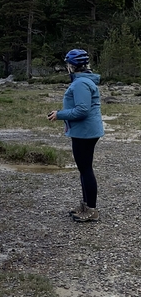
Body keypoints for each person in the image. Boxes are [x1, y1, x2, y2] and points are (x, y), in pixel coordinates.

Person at [47, 48, 104, 222]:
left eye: (68, 64)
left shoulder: (80, 83)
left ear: (72, 65)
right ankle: (86, 206)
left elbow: (82, 110)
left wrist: (60, 114)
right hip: (85, 131)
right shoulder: (83, 81)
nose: (67, 67)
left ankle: (91, 210)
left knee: (86, 169)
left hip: (85, 133)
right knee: (84, 169)